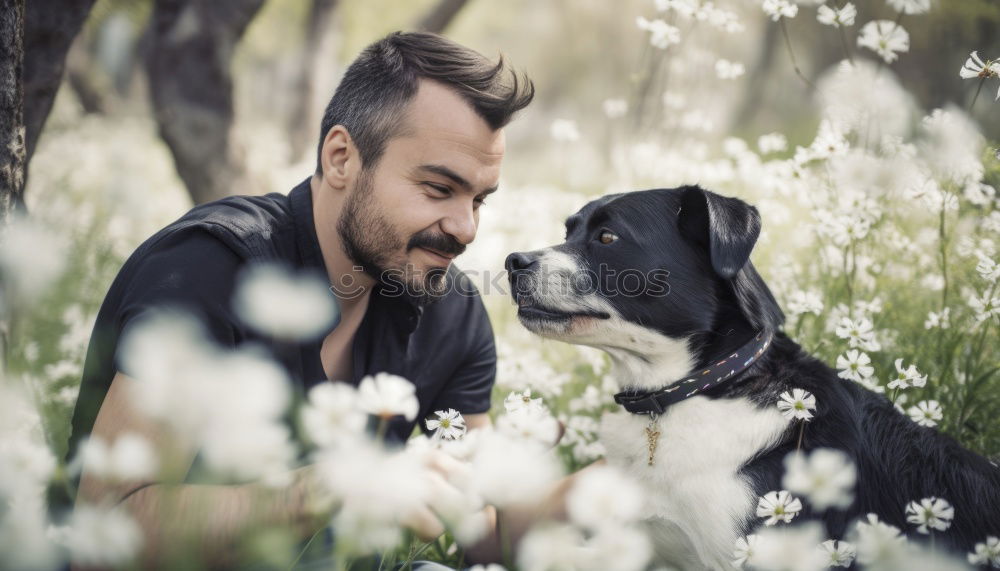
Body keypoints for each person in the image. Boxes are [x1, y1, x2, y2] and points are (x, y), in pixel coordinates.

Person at [65, 31, 534, 567]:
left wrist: (603, 495)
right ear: (340, 158)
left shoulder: (450, 309)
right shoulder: (211, 268)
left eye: (479, 199)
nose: (465, 227)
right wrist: (332, 487)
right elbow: (103, 528)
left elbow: (481, 528)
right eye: (437, 189)